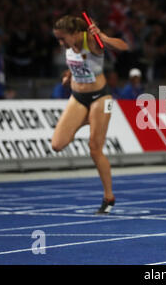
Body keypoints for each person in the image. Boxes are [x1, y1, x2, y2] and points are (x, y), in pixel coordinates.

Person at [52, 15, 129, 214]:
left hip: (100, 98)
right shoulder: (69, 46)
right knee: (57, 144)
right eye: (58, 39)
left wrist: (102, 36)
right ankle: (88, 120)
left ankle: (108, 197)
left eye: (63, 38)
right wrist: (69, 75)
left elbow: (123, 47)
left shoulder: (92, 41)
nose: (61, 43)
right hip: (78, 97)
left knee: (95, 148)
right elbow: (77, 63)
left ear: (76, 33)